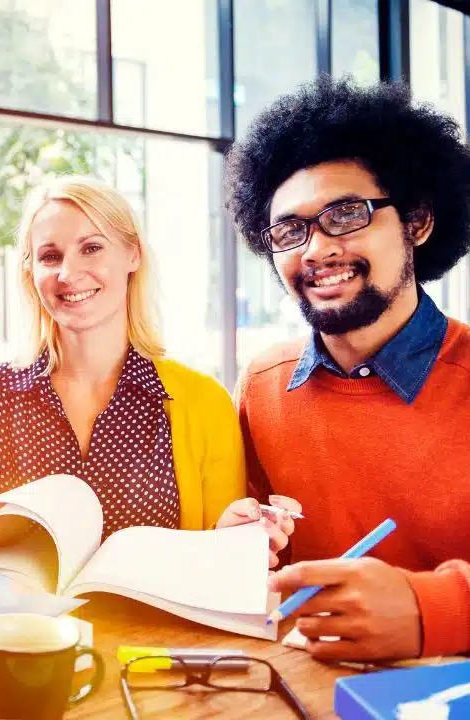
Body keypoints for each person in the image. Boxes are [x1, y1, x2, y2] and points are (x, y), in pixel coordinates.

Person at [227, 77, 470, 661]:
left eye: (345, 214)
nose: (316, 250)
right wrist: (238, 543)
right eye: (290, 230)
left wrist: (430, 609)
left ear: (417, 221)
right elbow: (259, 556)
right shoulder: (263, 386)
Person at [0, 176, 297, 565]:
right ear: (31, 272)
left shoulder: (203, 403)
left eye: (91, 248)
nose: (69, 273)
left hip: (153, 627)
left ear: (132, 254)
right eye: (50, 256)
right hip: (24, 625)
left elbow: (220, 557)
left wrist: (237, 543)